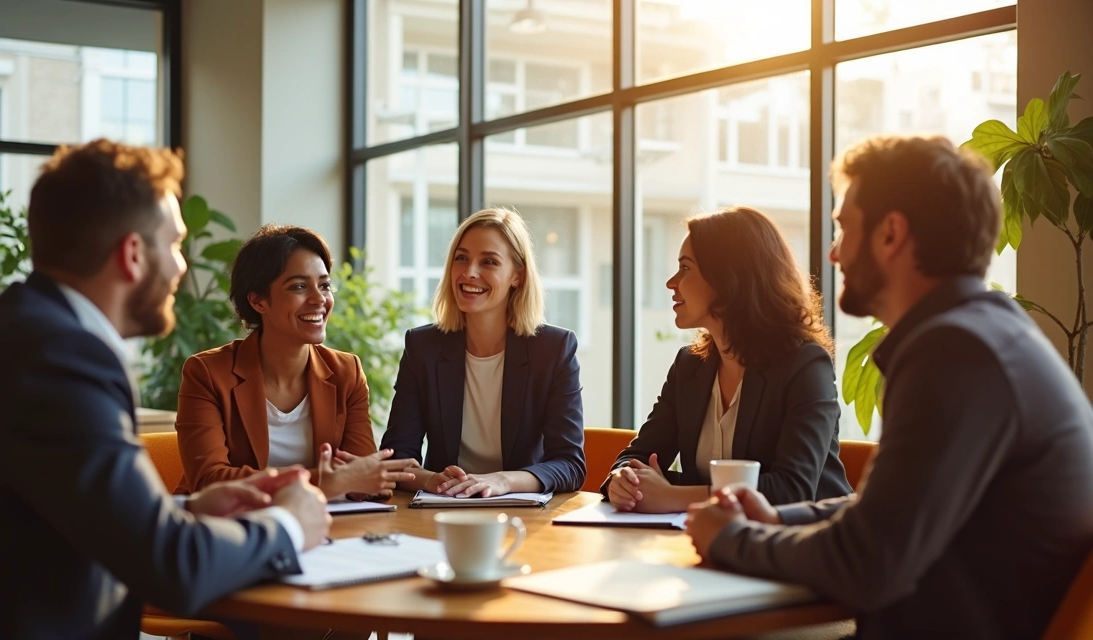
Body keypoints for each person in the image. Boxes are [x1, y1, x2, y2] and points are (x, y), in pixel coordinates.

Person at [0, 139, 330, 640]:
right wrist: (289, 526)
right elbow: (172, 569)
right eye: (175, 245)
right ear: (133, 254)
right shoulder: (57, 358)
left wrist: (187, 511)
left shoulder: (22, 334)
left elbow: (62, 518)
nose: (181, 267)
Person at [687, 134, 1093, 639]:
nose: (833, 255)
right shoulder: (985, 335)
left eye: (843, 228)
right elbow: (885, 510)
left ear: (890, 234)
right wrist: (777, 519)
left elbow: (868, 560)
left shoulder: (958, 353)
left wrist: (732, 539)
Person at [604, 206, 851, 513]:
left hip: (801, 547)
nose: (671, 282)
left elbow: (792, 489)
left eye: (685, 268)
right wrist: (623, 479)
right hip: (713, 540)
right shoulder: (690, 365)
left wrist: (674, 497)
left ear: (728, 279)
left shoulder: (805, 365)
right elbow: (638, 456)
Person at [175, 223, 417, 499]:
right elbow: (210, 480)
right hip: (226, 528)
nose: (319, 299)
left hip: (324, 527)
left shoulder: (346, 373)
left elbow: (364, 482)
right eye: (299, 286)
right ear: (258, 301)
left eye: (325, 285)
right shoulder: (207, 373)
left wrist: (362, 479)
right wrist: (325, 482)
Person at [381, 207, 586, 497]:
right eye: (461, 258)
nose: (469, 272)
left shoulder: (553, 350)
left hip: (522, 513)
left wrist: (503, 481)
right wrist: (432, 480)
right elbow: (396, 457)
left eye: (489, 262)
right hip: (443, 509)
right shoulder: (423, 347)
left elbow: (570, 464)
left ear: (517, 276)